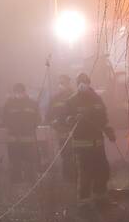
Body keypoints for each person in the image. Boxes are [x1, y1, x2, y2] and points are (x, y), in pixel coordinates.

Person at [65, 72, 114, 205]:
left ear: (88, 83)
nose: (82, 85)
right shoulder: (71, 101)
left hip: (97, 143)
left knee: (102, 169)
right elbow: (65, 118)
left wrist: (109, 131)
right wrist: (71, 119)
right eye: (80, 82)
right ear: (77, 85)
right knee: (85, 173)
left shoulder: (97, 99)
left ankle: (100, 195)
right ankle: (84, 200)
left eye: (85, 82)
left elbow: (103, 118)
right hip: (81, 145)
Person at [1, 83, 40, 183]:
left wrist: (31, 127)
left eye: (20, 92)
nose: (18, 94)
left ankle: (30, 181)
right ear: (14, 93)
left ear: (24, 92)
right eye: (16, 92)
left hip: (28, 139)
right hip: (14, 139)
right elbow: (3, 118)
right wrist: (11, 127)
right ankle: (16, 181)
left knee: (29, 162)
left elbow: (38, 119)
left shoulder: (32, 103)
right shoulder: (9, 104)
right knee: (15, 162)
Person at [46, 74, 76, 184]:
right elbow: (48, 116)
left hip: (75, 134)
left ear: (68, 84)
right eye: (60, 83)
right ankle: (67, 180)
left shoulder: (75, 96)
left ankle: (76, 179)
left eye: (63, 83)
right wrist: (54, 124)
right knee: (65, 157)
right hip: (61, 134)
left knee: (75, 157)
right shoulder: (55, 99)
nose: (61, 85)